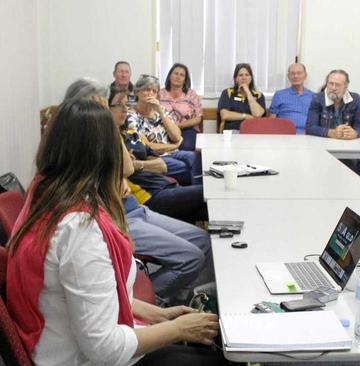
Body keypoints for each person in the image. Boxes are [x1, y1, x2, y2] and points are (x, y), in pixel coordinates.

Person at [6, 99, 223, 366]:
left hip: (68, 345)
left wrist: (156, 315)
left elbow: (89, 299)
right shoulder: (80, 230)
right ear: (105, 154)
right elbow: (105, 348)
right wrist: (179, 330)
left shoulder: (45, 194)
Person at [110, 87, 213, 304]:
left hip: (138, 206)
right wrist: (131, 162)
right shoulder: (106, 139)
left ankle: (181, 297)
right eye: (119, 105)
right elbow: (127, 169)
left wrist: (132, 165)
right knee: (192, 255)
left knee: (204, 240)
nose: (125, 110)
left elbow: (161, 165)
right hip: (133, 211)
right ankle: (139, 303)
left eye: (125, 104)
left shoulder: (128, 133)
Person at [127, 74, 201, 186]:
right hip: (155, 157)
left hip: (172, 153)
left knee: (196, 158)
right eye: (147, 90)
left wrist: (160, 113)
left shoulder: (160, 110)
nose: (150, 93)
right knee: (186, 167)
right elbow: (146, 146)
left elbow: (176, 136)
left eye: (154, 91)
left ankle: (197, 192)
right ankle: (198, 194)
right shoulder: (132, 116)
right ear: (137, 92)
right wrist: (173, 146)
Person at [306, 69, 360, 173]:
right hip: (323, 148)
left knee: (349, 170)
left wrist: (355, 133)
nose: (333, 88)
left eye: (337, 85)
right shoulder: (317, 99)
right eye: (331, 84)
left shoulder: (355, 99)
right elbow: (310, 127)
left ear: (346, 86)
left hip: (347, 149)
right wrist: (331, 133)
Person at [159, 63, 203, 151]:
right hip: (164, 129)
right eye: (175, 73)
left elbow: (198, 118)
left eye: (182, 75)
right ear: (170, 76)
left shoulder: (192, 95)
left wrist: (179, 125)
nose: (178, 77)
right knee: (161, 147)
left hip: (187, 129)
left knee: (185, 146)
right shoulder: (159, 94)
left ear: (185, 80)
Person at [218, 63, 266, 131]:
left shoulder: (258, 95)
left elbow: (257, 114)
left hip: (252, 131)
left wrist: (248, 93)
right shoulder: (227, 92)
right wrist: (245, 116)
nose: (244, 78)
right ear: (236, 79)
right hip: (233, 130)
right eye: (240, 75)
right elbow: (224, 115)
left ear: (251, 78)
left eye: (247, 75)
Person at [269, 63, 314, 134]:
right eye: (292, 73)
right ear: (288, 76)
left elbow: (316, 121)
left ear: (305, 75)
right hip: (284, 135)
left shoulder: (313, 96)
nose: (295, 76)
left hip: (307, 135)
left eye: (299, 73)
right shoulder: (279, 95)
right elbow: (272, 120)